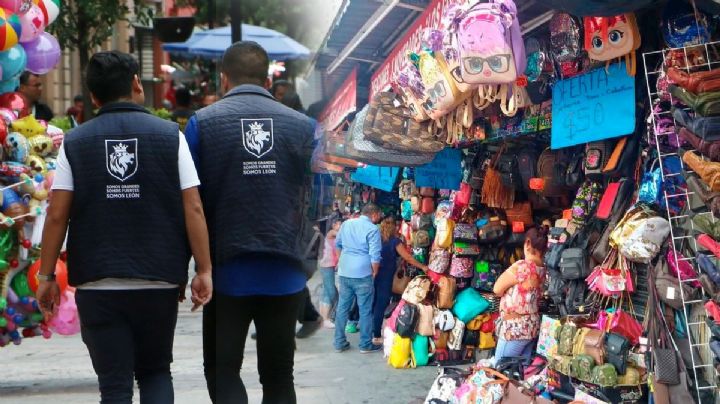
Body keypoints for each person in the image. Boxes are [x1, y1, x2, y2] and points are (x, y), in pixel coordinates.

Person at [34, 50, 213, 404]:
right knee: (156, 371)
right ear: (135, 84)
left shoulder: (76, 141)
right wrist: (203, 268)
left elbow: (57, 214)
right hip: (158, 278)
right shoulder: (168, 135)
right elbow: (192, 205)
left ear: (94, 96)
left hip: (98, 282)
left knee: (114, 386)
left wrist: (46, 276)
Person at [184, 41, 315, 404]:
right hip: (286, 269)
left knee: (222, 370)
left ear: (223, 78)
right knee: (278, 375)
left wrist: (193, 265)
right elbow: (320, 193)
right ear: (268, 80)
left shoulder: (202, 125)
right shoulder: (304, 126)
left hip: (225, 273)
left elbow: (189, 200)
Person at [492, 226, 549, 365]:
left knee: (500, 371)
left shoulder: (522, 266)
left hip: (515, 329)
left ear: (528, 243)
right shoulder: (542, 269)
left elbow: (497, 289)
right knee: (520, 374)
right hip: (531, 326)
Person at [334, 203, 384, 353]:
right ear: (374, 215)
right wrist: (374, 273)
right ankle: (365, 344)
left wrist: (342, 262)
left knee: (342, 307)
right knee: (365, 310)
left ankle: (339, 342)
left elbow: (338, 245)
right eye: (378, 215)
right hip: (363, 273)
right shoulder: (373, 229)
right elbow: (375, 256)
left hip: (345, 272)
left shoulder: (346, 224)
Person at [372, 216, 429, 344]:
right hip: (386, 276)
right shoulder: (394, 241)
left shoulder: (377, 239)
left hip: (374, 274)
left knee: (374, 302)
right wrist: (422, 266)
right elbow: (408, 258)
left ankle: (371, 330)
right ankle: (376, 335)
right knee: (381, 305)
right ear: (394, 227)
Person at [318, 218, 342, 328]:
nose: (341, 226)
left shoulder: (329, 233)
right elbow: (341, 236)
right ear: (334, 224)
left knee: (326, 293)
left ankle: (324, 319)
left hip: (328, 265)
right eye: (339, 224)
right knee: (332, 293)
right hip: (326, 265)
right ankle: (328, 318)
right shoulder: (331, 232)